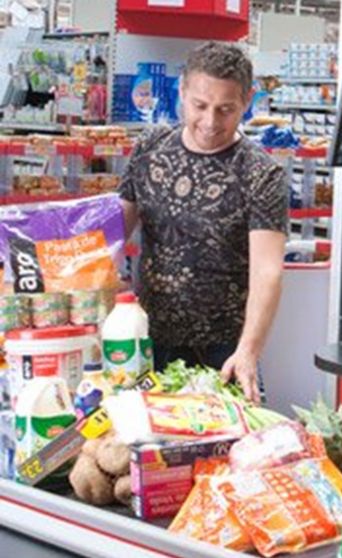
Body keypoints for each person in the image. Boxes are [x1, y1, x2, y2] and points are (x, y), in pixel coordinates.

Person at [119, 42, 288, 403]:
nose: (210, 122)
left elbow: (268, 271)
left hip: (224, 353)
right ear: (182, 91)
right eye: (199, 106)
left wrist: (248, 351)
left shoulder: (262, 173)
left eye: (226, 109)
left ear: (247, 100)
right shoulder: (149, 149)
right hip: (146, 343)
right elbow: (113, 234)